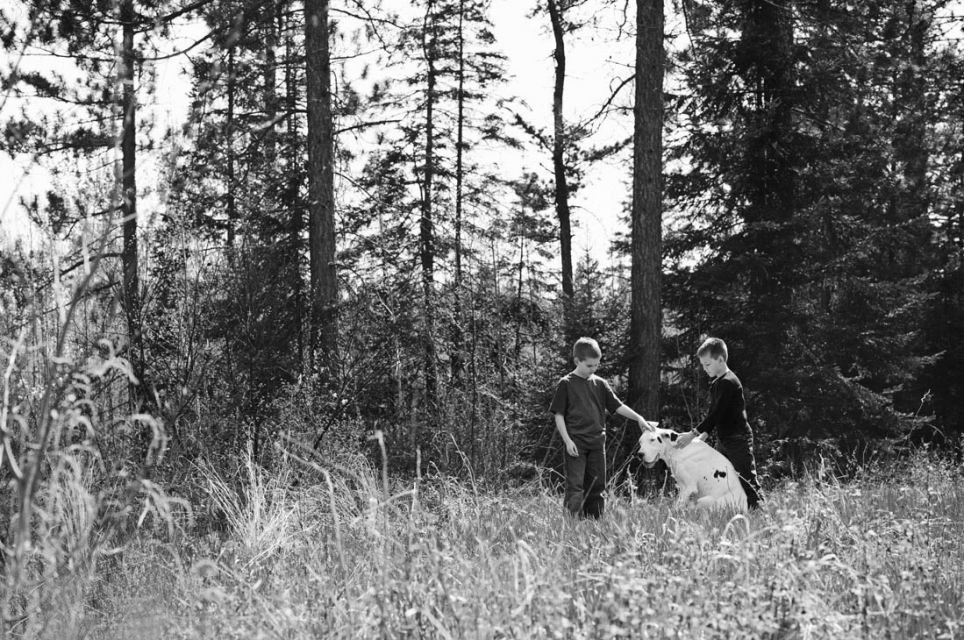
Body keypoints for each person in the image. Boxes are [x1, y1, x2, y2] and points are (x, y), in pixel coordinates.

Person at [549, 337, 656, 519]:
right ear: (577, 361)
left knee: (597, 485)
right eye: (589, 365)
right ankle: (573, 522)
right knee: (575, 485)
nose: (593, 369)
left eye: (596, 365)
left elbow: (618, 406)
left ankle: (594, 521)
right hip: (576, 443)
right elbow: (558, 415)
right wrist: (567, 441)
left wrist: (638, 418)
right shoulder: (566, 384)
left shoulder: (600, 384)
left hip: (597, 443)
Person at [676, 337, 764, 509]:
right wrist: (703, 436)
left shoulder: (729, 382)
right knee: (720, 476)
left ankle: (761, 511)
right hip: (723, 439)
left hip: (738, 439)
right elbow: (716, 414)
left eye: (707, 364)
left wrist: (692, 434)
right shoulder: (717, 382)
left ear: (721, 360)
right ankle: (731, 508)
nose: (704, 368)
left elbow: (716, 414)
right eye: (702, 365)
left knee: (746, 478)